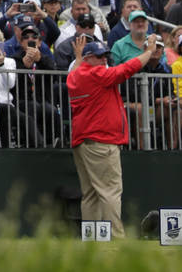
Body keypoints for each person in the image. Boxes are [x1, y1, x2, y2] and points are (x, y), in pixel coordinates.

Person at [67, 36, 157, 238]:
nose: (104, 60)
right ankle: (116, 237)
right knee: (110, 192)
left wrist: (79, 57)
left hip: (83, 142)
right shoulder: (97, 74)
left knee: (90, 194)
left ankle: (92, 238)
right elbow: (126, 69)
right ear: (89, 58)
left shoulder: (75, 75)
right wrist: (149, 52)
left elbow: (75, 71)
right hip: (101, 141)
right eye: (99, 57)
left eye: (106, 56)